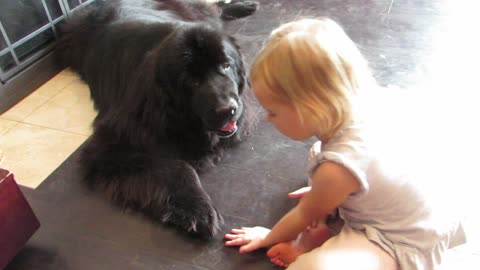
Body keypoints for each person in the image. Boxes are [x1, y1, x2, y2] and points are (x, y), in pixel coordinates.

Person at [223, 18, 466, 269]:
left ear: (310, 109)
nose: (267, 118)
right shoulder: (375, 101)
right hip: (424, 206)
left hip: (400, 240)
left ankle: (314, 240)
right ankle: (331, 211)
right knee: (319, 154)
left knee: (309, 267)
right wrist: (331, 190)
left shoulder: (338, 166)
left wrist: (269, 236)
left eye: (273, 111)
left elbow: (303, 214)